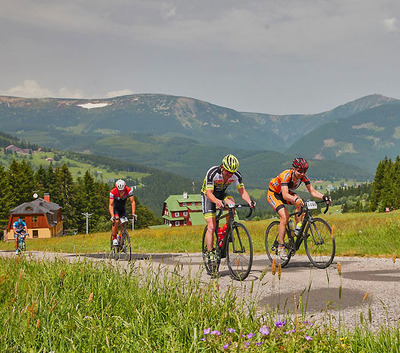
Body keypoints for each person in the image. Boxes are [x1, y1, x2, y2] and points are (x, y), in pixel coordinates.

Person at [267, 157, 331, 260]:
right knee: (285, 216)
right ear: (294, 169)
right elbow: (285, 195)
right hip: (274, 194)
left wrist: (324, 197)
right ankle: (281, 247)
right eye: (300, 171)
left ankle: (297, 228)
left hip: (286, 193)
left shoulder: (303, 177)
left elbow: (313, 191)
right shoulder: (286, 175)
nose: (302, 173)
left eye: (304, 171)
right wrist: (295, 200)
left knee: (300, 203)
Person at [201, 154, 254, 267]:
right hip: (209, 196)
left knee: (232, 204)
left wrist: (249, 202)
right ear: (222, 167)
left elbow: (242, 191)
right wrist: (216, 201)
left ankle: (225, 231)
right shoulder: (213, 173)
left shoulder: (236, 175)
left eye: (232, 172)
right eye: (228, 172)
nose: (230, 175)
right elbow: (209, 194)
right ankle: (210, 254)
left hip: (221, 194)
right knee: (211, 226)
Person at [109, 179, 136, 246]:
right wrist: (112, 215)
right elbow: (111, 205)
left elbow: (132, 202)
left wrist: (133, 213)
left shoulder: (129, 190)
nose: (121, 191)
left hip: (122, 208)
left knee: (124, 224)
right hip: (116, 208)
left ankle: (122, 239)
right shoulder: (113, 192)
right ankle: (114, 238)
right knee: (116, 221)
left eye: (122, 190)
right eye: (119, 190)